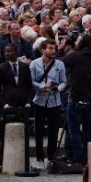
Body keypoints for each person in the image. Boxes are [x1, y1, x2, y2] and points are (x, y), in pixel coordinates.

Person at [63, 32, 91, 164]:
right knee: (88, 129)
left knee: (73, 129)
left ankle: (79, 156)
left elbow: (64, 60)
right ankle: (88, 156)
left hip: (76, 97)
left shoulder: (76, 55)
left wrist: (74, 47)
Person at [29, 39, 67, 170]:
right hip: (39, 101)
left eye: (54, 48)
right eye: (50, 48)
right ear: (43, 50)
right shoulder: (34, 64)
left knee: (53, 131)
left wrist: (58, 88)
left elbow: (64, 82)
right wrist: (42, 87)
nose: (53, 51)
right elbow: (32, 82)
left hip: (54, 101)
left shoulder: (60, 64)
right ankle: (39, 158)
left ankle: (51, 158)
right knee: (38, 131)